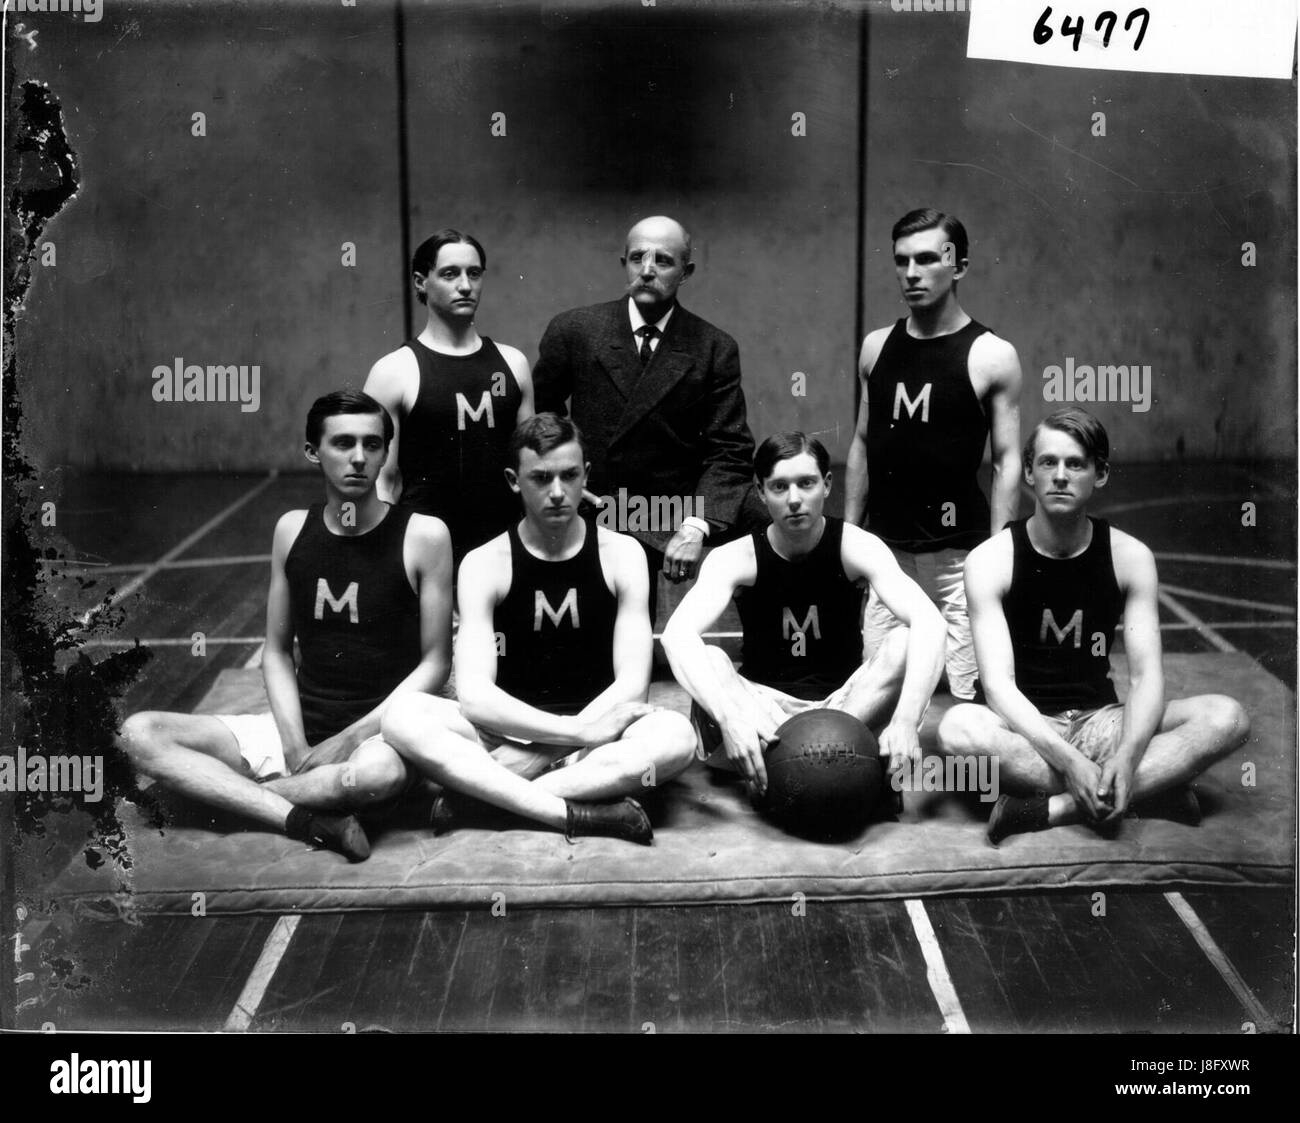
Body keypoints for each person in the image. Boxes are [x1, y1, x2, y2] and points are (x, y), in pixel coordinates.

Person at [118, 391, 454, 861]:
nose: (359, 458)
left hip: (378, 738)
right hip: (295, 733)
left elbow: (436, 663)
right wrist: (295, 741)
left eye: (373, 445)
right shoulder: (292, 529)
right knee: (139, 733)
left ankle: (221, 799)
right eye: (343, 444)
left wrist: (350, 737)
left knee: (380, 777)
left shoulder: (424, 535)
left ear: (385, 453)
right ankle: (306, 815)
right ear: (312, 453)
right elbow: (275, 650)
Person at [937, 408, 1251, 844]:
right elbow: (998, 687)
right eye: (1048, 462)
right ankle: (1149, 793)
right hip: (1025, 727)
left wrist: (1126, 755)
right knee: (956, 730)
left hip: (1101, 720)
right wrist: (1069, 762)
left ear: (1099, 475)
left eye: (1076, 464)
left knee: (1226, 717)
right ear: (1029, 472)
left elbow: (1145, 677)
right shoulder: (990, 560)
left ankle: (1052, 808)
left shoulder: (1130, 556)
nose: (1060, 475)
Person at [381, 413, 696, 845]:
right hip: (506, 735)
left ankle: (483, 799)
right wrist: (565, 736)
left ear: (586, 475)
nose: (556, 493)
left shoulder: (623, 554)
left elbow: (631, 685)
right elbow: (474, 695)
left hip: (599, 739)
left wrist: (562, 746)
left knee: (677, 738)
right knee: (400, 716)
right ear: (514, 480)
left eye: (569, 476)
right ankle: (576, 808)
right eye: (540, 478)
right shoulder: (483, 562)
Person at [661, 432, 946, 800]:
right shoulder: (736, 557)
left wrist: (906, 721)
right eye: (779, 487)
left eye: (806, 483)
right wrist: (730, 719)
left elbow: (931, 621)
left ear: (826, 485)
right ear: (761, 492)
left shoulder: (856, 546)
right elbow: (675, 635)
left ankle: (803, 764)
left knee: (907, 641)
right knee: (711, 658)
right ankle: (828, 764)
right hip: (763, 713)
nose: (794, 499)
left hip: (847, 709)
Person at [532, 215, 758, 620]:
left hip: (671, 509)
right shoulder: (576, 330)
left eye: (664, 261)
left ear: (686, 272)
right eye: (638, 258)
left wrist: (696, 525)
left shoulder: (713, 347)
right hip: (595, 504)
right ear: (624, 264)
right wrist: (564, 479)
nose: (648, 270)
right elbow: (539, 424)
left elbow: (731, 449)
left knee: (774, 520)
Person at [844, 208, 1023, 702]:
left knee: (971, 696)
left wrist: (997, 552)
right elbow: (861, 443)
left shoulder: (991, 354)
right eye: (902, 261)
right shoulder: (876, 347)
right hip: (888, 557)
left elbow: (1007, 460)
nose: (911, 274)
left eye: (926, 260)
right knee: (876, 690)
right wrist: (853, 537)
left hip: (958, 556)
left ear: (958, 266)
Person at [365, 228, 534, 564]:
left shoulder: (513, 364)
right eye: (449, 274)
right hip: (427, 552)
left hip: (501, 550)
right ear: (420, 282)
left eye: (474, 273)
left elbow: (531, 466)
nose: (465, 285)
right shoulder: (393, 371)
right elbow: (383, 481)